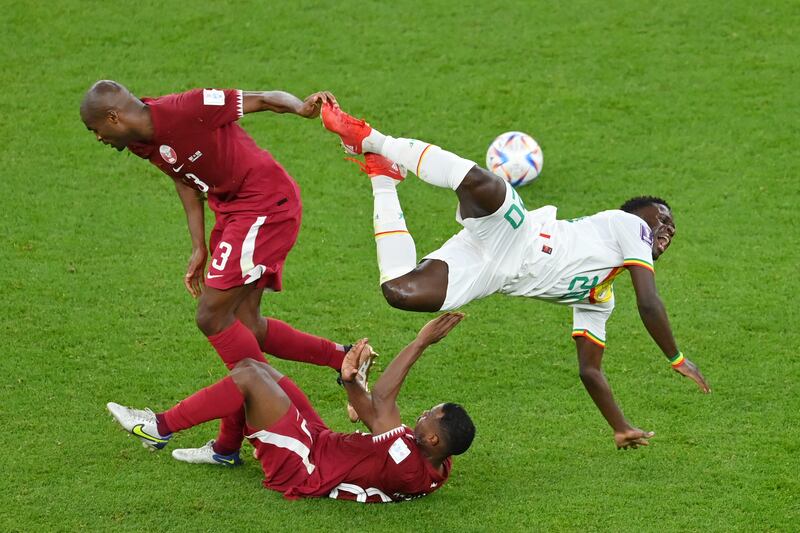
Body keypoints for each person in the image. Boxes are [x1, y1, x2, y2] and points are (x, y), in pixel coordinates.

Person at [320, 102, 711, 450]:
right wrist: (675, 358)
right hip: (520, 233)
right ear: (639, 218)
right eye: (662, 219)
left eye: (672, 227)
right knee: (480, 184)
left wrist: (621, 427)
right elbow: (649, 301)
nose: (667, 228)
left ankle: (383, 175)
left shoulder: (598, 297)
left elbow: (590, 371)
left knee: (399, 291)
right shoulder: (628, 226)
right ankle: (372, 138)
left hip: (491, 273)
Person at [80, 81, 368, 465]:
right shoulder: (139, 140)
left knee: (211, 315)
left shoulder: (188, 106)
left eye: (95, 128)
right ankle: (234, 442)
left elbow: (263, 99)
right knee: (248, 327)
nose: (97, 137)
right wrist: (198, 245)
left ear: (113, 117)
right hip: (233, 211)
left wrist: (300, 107)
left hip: (264, 205)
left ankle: (162, 426)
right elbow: (182, 178)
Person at [107, 312, 475, 503]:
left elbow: (379, 402)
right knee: (259, 371)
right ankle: (224, 451)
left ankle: (160, 428)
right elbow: (372, 412)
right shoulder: (436, 463)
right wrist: (350, 381)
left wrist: (421, 341)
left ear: (431, 438)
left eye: (429, 415)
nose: (422, 413)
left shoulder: (407, 465)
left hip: (304, 467)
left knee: (250, 376)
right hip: (323, 444)